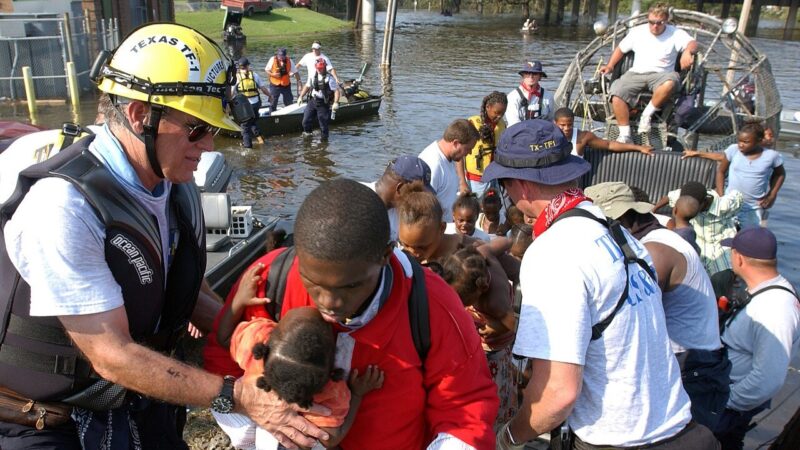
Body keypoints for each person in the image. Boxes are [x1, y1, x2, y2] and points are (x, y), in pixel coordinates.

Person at [0, 23, 328, 449]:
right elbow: (111, 355)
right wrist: (236, 395)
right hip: (47, 422)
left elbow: (186, 294)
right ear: (140, 115)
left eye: (212, 128)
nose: (209, 145)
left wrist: (270, 341)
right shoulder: (64, 206)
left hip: (136, 402)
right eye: (196, 128)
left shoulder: (174, 185)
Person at [205, 179, 499, 449]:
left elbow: (466, 410)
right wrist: (247, 417)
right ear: (299, 253)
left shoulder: (433, 304)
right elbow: (220, 357)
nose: (330, 302)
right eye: (314, 283)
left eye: (351, 286)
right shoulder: (269, 279)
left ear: (385, 256)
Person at [481, 120, 717, 449]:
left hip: (618, 439)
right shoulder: (617, 232)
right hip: (679, 427)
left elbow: (558, 394)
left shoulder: (553, 251)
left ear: (520, 184)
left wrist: (506, 438)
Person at [585, 181, 729, 430]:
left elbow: (630, 322)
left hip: (692, 366)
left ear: (620, 219)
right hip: (695, 359)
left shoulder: (653, 253)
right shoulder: (659, 233)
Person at [212, 263, 384, 450]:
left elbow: (224, 337)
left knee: (225, 405)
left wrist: (239, 300)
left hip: (258, 431)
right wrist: (357, 394)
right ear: (332, 365)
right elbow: (331, 439)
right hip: (291, 441)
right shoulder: (332, 389)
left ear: (269, 339)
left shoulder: (256, 341)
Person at [715, 227, 800, 450]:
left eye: (731, 251)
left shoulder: (774, 309)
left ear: (739, 258)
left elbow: (768, 377)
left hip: (731, 402)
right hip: (729, 394)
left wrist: (726, 401)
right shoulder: (768, 289)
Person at [442, 246, 518, 431]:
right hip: (485, 349)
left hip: (494, 356)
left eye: (463, 299)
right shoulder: (483, 257)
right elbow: (499, 244)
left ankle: (492, 434)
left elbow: (517, 326)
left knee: (490, 402)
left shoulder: (494, 303)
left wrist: (495, 328)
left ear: (481, 287)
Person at [599, 3, 698, 143]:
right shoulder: (637, 32)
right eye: (651, 22)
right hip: (636, 73)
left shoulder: (675, 33)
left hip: (662, 74)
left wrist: (687, 51)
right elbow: (620, 49)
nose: (655, 26)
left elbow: (693, 43)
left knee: (670, 83)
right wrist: (609, 66)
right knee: (616, 91)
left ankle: (647, 115)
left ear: (666, 20)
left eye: (659, 23)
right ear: (647, 19)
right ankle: (624, 135)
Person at [682, 123, 786, 229]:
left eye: (746, 142)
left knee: (748, 236)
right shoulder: (734, 150)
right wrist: (721, 194)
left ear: (759, 141)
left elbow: (780, 174)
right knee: (724, 233)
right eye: (739, 141)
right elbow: (721, 171)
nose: (741, 144)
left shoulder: (772, 156)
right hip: (730, 202)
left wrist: (772, 194)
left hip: (753, 206)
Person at [652, 181, 744, 298]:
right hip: (699, 242)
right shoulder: (684, 196)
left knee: (721, 280)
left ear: (704, 203)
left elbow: (738, 196)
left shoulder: (724, 205)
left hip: (720, 244)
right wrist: (653, 210)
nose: (691, 208)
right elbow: (669, 197)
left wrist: (722, 193)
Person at [419, 119, 480, 222]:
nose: (469, 153)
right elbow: (424, 209)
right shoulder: (433, 165)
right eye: (468, 148)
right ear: (456, 143)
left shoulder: (450, 158)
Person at [362, 155, 435, 241]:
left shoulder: (400, 213)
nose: (419, 200)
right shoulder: (355, 200)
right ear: (400, 189)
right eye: (417, 194)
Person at [457, 91, 508, 197]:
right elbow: (459, 156)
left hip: (495, 178)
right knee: (478, 211)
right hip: (476, 180)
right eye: (496, 112)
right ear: (488, 107)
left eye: (502, 113)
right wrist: (462, 182)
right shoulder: (472, 124)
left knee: (493, 209)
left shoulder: (502, 126)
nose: (499, 116)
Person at [553, 107, 653, 157]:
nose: (566, 128)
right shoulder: (547, 136)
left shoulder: (583, 136)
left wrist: (639, 148)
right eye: (562, 125)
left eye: (570, 125)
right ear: (555, 123)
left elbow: (609, 144)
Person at [505, 61, 556, 126]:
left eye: (534, 73)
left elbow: (552, 120)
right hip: (518, 134)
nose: (531, 76)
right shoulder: (513, 96)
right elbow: (513, 123)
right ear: (523, 76)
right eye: (527, 73)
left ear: (540, 76)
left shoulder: (548, 97)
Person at [298, 58, 340, 139]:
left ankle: (324, 143)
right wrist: (301, 96)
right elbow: (307, 86)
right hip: (312, 101)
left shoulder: (329, 78)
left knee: (323, 125)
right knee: (305, 121)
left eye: (321, 68)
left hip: (323, 103)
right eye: (317, 68)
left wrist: (336, 102)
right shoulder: (313, 75)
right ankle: (308, 136)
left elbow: (336, 91)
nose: (319, 70)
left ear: (324, 67)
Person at [235, 57, 271, 148]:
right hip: (256, 103)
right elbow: (263, 89)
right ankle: (260, 138)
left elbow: (231, 92)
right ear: (248, 66)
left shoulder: (237, 77)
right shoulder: (254, 75)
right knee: (252, 122)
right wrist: (270, 96)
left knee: (245, 127)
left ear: (239, 67)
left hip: (244, 106)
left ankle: (247, 147)